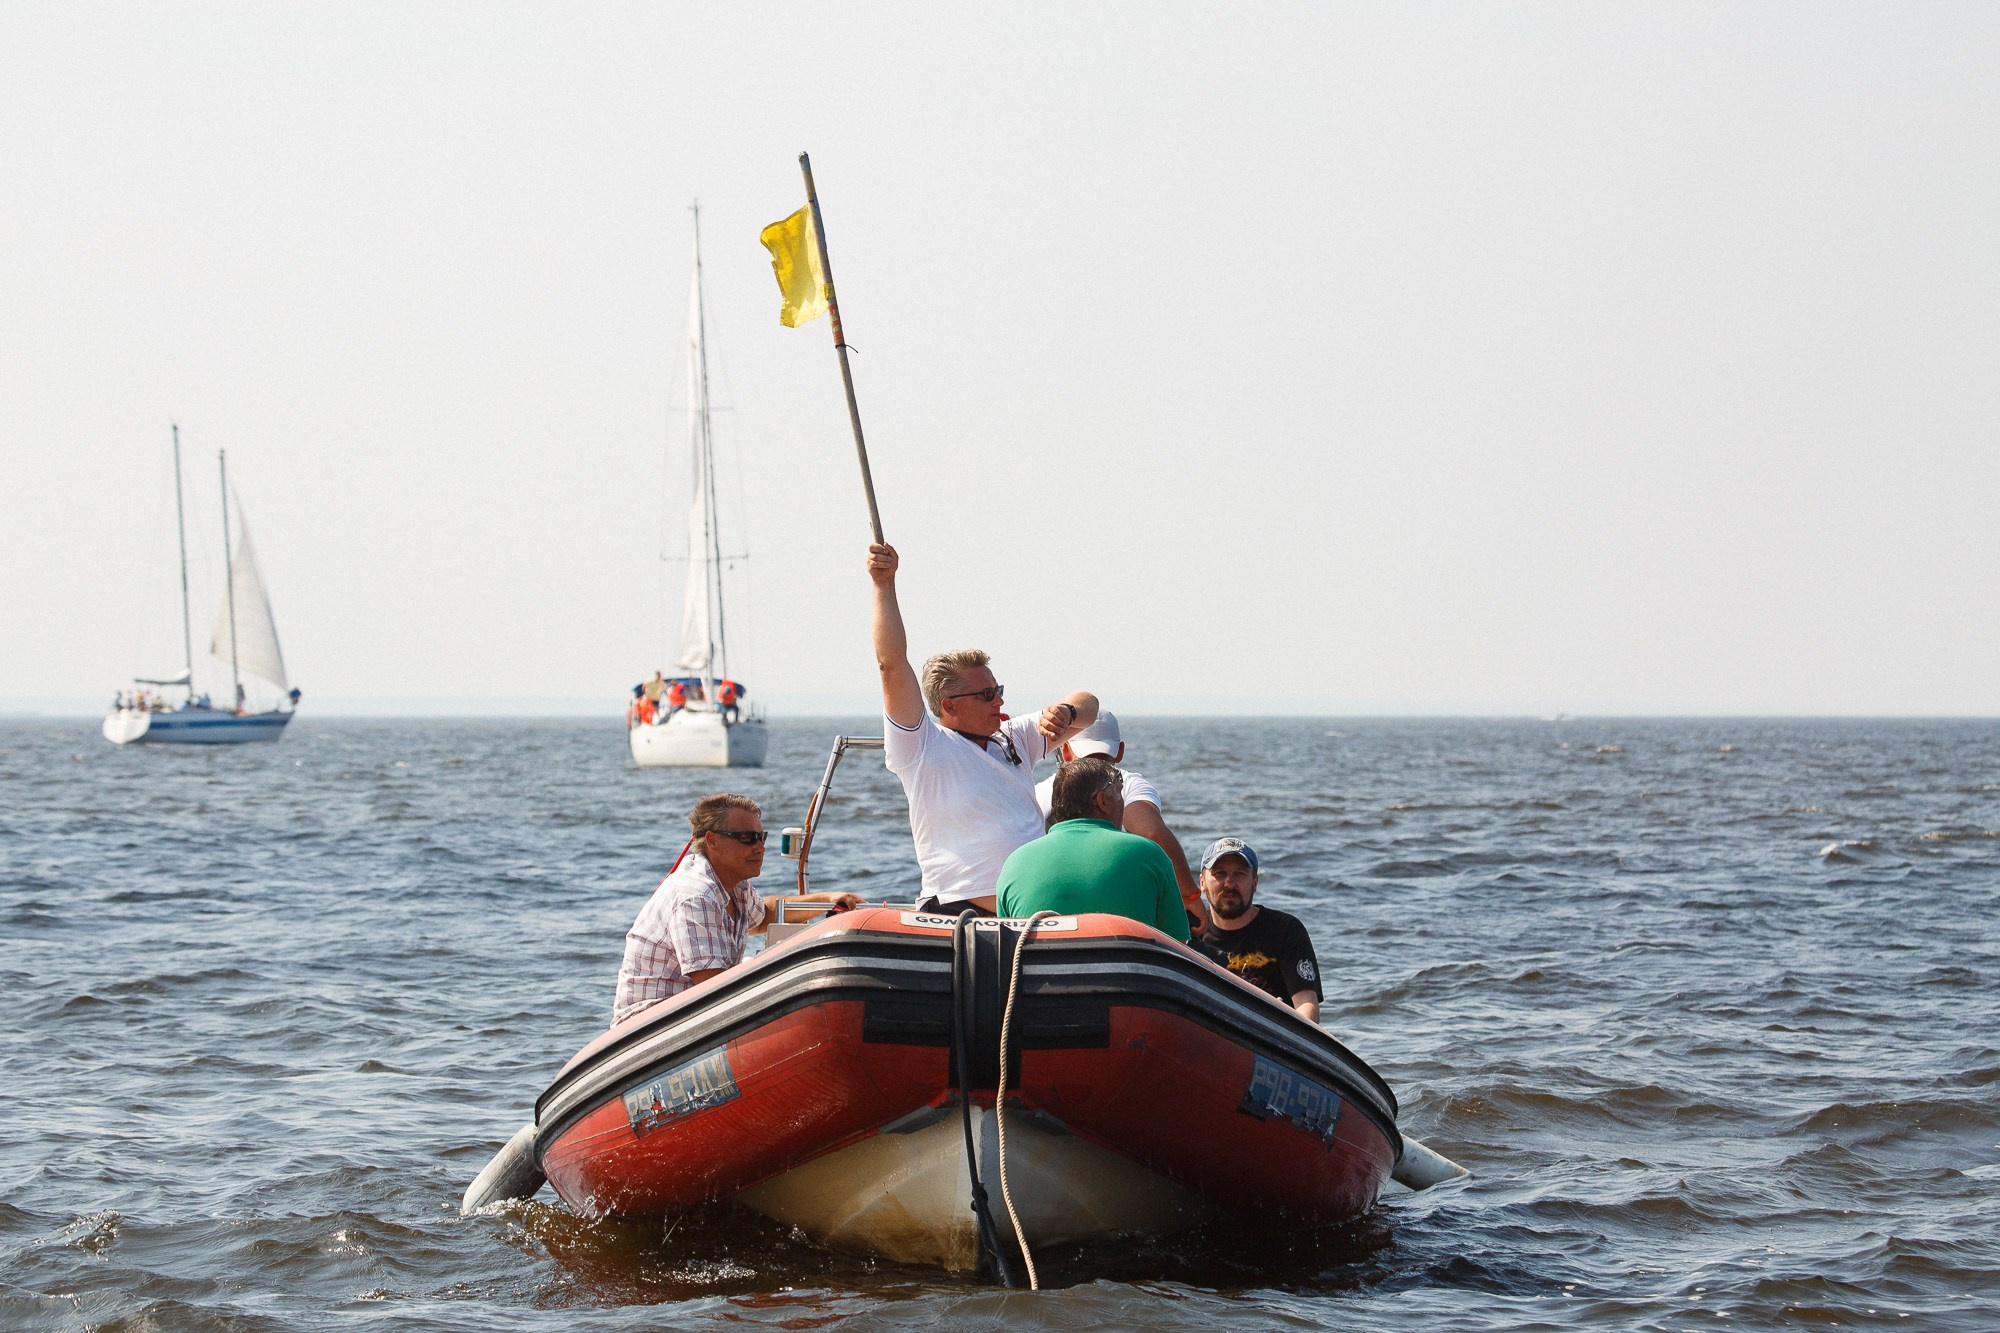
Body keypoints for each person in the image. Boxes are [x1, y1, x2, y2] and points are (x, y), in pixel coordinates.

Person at [868, 542, 1097, 914]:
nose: (999, 702)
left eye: (999, 691)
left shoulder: (1015, 737)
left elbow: (1090, 706)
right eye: (987, 694)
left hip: (1032, 907)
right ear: (950, 706)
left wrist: (1066, 712)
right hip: (960, 912)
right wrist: (884, 584)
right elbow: (890, 664)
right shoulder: (922, 745)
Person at [612, 793, 860, 1025]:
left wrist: (829, 899)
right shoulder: (696, 896)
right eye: (747, 838)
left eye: (762, 837)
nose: (760, 847)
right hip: (650, 1026)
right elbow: (713, 986)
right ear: (712, 841)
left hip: (689, 1018)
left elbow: (764, 916)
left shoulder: (735, 885)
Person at [1033, 711, 1206, 932]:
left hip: (1052, 916)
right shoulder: (1130, 784)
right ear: (1120, 751)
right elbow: (1152, 832)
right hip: (1123, 921)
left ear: (1065, 750)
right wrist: (1190, 897)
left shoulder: (1039, 793)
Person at [998, 758, 1189, 940]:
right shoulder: (1149, 854)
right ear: (1103, 801)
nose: (1122, 802)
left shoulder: (1014, 863)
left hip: (1038, 965)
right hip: (1126, 964)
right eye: (1119, 793)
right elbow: (1177, 943)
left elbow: (1008, 943)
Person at [1194, 837, 1322, 1023]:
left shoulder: (1285, 930)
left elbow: (1307, 1005)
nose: (1229, 883)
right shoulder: (1188, 931)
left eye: (1239, 874)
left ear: (1254, 882)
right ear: (1202, 882)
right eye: (1220, 874)